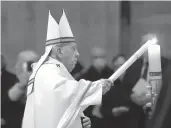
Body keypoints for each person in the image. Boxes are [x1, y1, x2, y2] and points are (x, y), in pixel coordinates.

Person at [22, 10, 113, 128]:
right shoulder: (47, 71)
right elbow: (63, 91)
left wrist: (80, 120)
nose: (78, 54)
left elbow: (61, 107)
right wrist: (96, 87)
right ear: (59, 51)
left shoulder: (56, 71)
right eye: (73, 49)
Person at [120, 34, 170, 128]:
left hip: (157, 115)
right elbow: (123, 89)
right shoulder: (133, 66)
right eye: (145, 43)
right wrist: (131, 97)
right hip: (136, 116)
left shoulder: (167, 65)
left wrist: (154, 96)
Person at [80, 46, 113, 128]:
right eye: (96, 57)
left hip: (108, 117)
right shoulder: (85, 76)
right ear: (91, 59)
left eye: (101, 57)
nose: (99, 59)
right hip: (90, 118)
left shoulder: (112, 74)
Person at [101, 54, 129, 128]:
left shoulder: (133, 80)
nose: (120, 69)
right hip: (113, 123)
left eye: (122, 65)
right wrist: (113, 111)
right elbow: (102, 108)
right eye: (117, 66)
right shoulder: (109, 85)